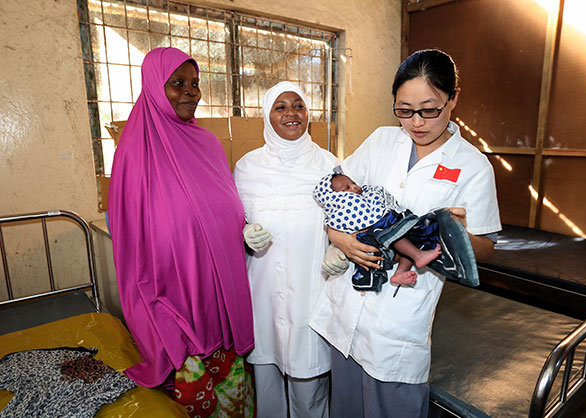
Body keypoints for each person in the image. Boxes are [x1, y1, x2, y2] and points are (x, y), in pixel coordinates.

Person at [309, 49, 502, 418]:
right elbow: (336, 192)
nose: (416, 122)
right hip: (346, 309)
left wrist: (456, 233)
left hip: (399, 323)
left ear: (454, 99)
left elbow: (487, 248)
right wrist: (337, 236)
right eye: (404, 109)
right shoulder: (382, 140)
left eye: (429, 109)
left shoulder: (473, 166)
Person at [108, 47, 263, 417]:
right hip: (173, 304)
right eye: (178, 83)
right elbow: (132, 248)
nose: (190, 92)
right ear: (153, 86)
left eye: (195, 84)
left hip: (219, 297)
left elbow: (223, 209)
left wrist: (245, 231)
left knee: (233, 400)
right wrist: (152, 313)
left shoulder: (207, 144)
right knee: (191, 400)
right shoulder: (134, 152)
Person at [234, 81, 338, 418]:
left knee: (309, 383)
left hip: (313, 286)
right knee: (267, 384)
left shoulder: (329, 166)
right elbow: (233, 221)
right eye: (281, 107)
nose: (291, 113)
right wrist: (244, 233)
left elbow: (348, 223)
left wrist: (338, 249)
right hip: (262, 289)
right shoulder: (247, 168)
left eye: (299, 105)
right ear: (267, 115)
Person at [313, 173, 442, 292]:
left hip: (393, 255)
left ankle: (400, 272)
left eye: (353, 182)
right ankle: (418, 255)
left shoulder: (367, 193)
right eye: (347, 188)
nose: (354, 186)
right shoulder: (343, 206)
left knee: (408, 239)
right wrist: (336, 237)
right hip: (373, 248)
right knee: (393, 232)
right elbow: (338, 216)